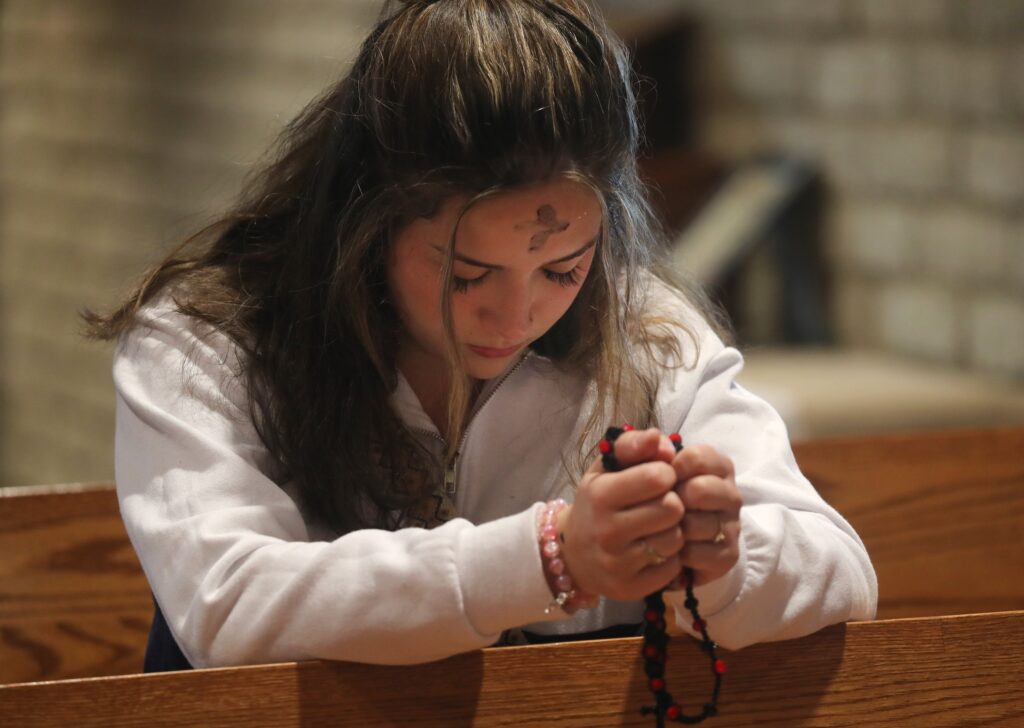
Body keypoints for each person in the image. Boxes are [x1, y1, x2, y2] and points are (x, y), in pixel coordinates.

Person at [86, 0, 877, 672]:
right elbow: (229, 606)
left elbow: (841, 571)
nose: (515, 318)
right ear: (366, 220)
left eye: (564, 268)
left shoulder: (645, 332)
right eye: (466, 275)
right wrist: (549, 556)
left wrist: (723, 554)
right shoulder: (210, 337)